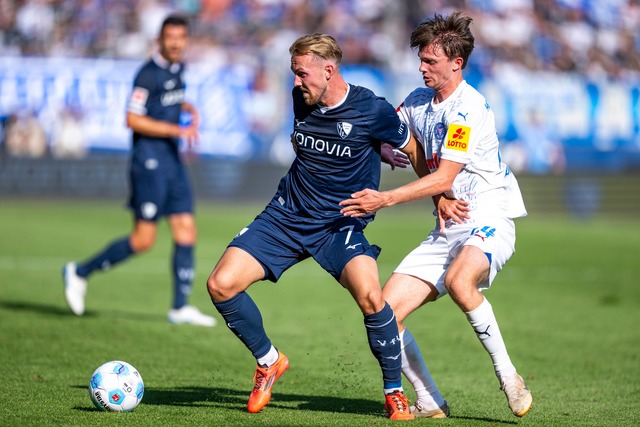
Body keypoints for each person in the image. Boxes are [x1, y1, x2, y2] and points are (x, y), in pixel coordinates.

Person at [206, 33, 425, 420]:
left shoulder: (372, 109)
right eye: (293, 73)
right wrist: (375, 147)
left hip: (339, 224)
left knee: (374, 299)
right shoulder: (301, 98)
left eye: (301, 73)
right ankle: (269, 361)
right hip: (286, 216)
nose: (295, 82)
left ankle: (394, 392)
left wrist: (438, 197)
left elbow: (415, 151)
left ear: (329, 70)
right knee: (221, 285)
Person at [339, 11, 533, 419]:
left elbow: (445, 174)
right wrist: (383, 147)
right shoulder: (416, 100)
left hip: (488, 215)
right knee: (382, 314)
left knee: (460, 282)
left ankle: (508, 375)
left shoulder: (468, 110)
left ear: (456, 63)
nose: (422, 67)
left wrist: (384, 199)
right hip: (449, 223)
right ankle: (429, 399)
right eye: (421, 59)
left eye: (430, 62)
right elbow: (389, 131)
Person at [62, 15, 216, 327]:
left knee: (186, 229)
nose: (175, 42)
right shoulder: (147, 74)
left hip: (172, 160)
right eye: (169, 37)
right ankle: (80, 272)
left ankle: (180, 307)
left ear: (186, 40)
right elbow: (132, 119)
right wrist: (176, 130)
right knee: (144, 239)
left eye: (180, 37)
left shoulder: (179, 68)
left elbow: (171, 101)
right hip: (149, 161)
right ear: (159, 39)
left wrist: (189, 109)